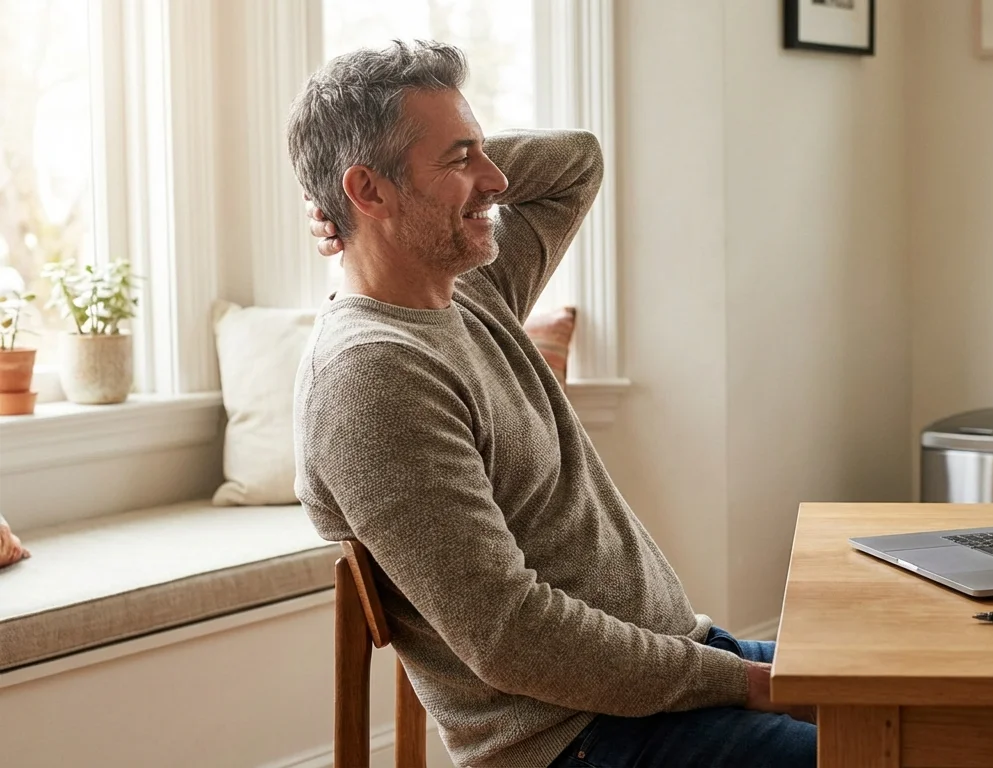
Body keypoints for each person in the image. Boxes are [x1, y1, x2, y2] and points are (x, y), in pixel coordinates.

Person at [288, 41, 816, 768]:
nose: (497, 181)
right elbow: (509, 634)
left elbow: (577, 161)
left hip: (671, 672)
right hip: (583, 740)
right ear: (369, 191)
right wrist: (748, 685)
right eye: (461, 159)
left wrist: (430, 173)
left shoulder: (469, 289)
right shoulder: (372, 378)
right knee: (925, 745)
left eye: (482, 152)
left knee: (948, 698)